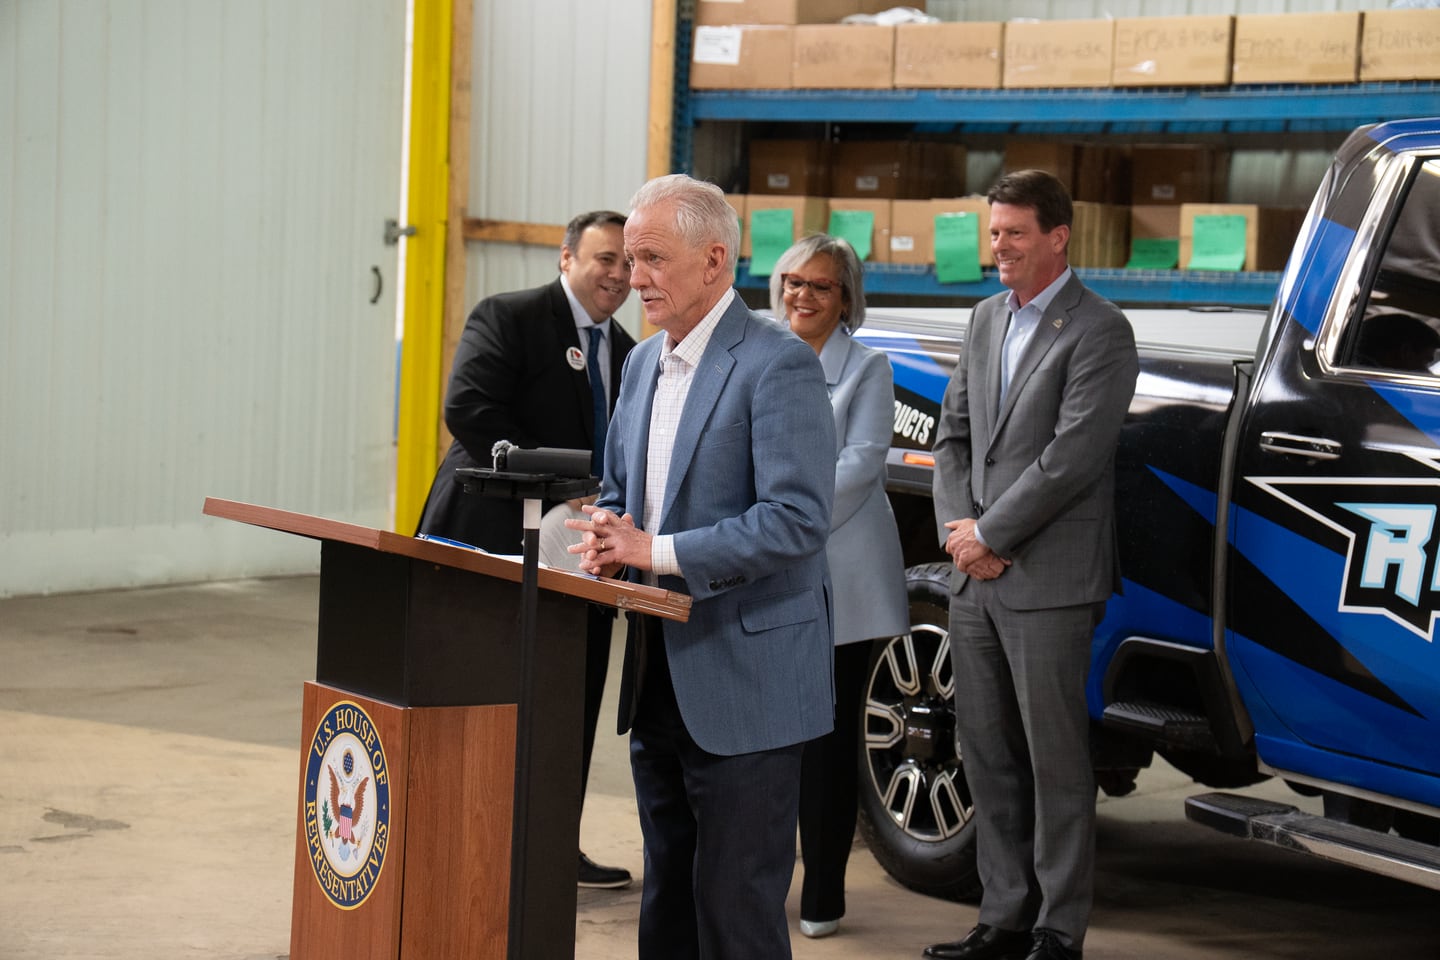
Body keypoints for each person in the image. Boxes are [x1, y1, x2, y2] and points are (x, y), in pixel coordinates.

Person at [566, 173, 837, 959]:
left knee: (736, 908)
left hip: (747, 682)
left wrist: (657, 552)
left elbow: (797, 520)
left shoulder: (777, 365)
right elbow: (622, 491)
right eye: (625, 259)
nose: (632, 277)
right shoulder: (643, 363)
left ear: (715, 260)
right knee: (671, 901)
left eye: (650, 259)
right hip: (658, 675)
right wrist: (606, 537)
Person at [924, 170, 1139, 960]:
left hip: (1047, 580)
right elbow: (953, 433)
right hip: (973, 576)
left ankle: (1058, 928)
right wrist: (959, 528)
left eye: (1014, 233)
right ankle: (1002, 915)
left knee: (1054, 762)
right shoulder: (985, 319)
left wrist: (992, 536)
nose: (999, 247)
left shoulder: (1101, 330)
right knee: (985, 752)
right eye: (993, 232)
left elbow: (1071, 458)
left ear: (1058, 237)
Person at [414, 209, 637, 890]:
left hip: (581, 551)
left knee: (569, 699)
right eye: (605, 259)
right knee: (481, 697)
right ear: (565, 258)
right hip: (492, 538)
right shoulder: (508, 317)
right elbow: (471, 408)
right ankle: (459, 845)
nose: (619, 275)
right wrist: (553, 481)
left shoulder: (631, 353)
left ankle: (548, 850)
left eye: (630, 263)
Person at [769, 235, 908, 941]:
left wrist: (777, 522)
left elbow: (859, 467)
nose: (802, 296)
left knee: (825, 747)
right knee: (765, 743)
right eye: (793, 281)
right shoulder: (760, 355)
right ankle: (763, 886)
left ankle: (823, 894)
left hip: (840, 585)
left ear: (846, 299)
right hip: (764, 578)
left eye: (821, 286)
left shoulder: (868, 368)